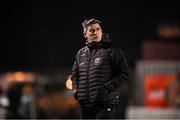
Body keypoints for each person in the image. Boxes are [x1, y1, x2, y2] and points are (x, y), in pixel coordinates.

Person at [71, 18, 129, 119]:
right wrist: (76, 90)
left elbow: (123, 73)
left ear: (101, 31)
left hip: (105, 103)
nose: (95, 32)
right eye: (91, 30)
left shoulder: (112, 51)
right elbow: (75, 74)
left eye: (98, 29)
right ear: (85, 34)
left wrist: (107, 88)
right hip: (85, 105)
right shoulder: (80, 54)